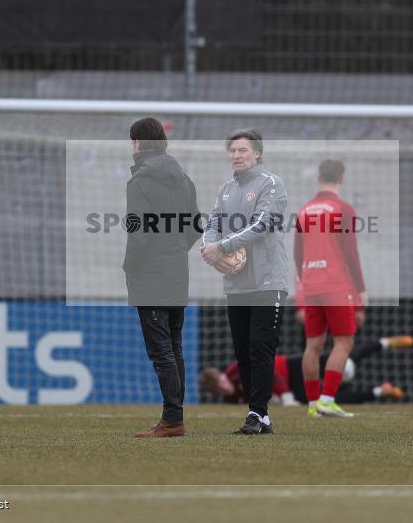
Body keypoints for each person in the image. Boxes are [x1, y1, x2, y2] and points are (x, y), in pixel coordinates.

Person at [201, 129, 289, 434]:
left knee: (260, 347)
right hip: (237, 284)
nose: (236, 155)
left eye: (242, 150)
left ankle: (256, 412)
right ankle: (261, 418)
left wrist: (222, 247)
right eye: (233, 151)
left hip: (267, 282)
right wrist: (208, 248)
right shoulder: (225, 189)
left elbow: (262, 225)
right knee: (242, 350)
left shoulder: (272, 184)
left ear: (257, 153)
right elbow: (212, 223)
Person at [123, 117, 201, 438]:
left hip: (152, 275)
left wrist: (131, 267)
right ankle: (174, 417)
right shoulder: (184, 179)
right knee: (175, 348)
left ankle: (172, 420)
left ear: (139, 143)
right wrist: (176, 249)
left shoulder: (139, 182)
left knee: (161, 352)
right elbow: (197, 227)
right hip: (177, 271)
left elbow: (137, 234)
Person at [294, 159, 367, 418]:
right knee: (344, 341)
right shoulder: (343, 208)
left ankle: (313, 404)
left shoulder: (304, 210)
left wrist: (304, 284)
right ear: (342, 178)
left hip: (311, 283)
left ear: (318, 178)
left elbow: (297, 253)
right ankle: (327, 398)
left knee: (313, 345)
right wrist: (361, 289)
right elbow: (350, 252)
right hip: (336, 284)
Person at [199, 335, 413, 405]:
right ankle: (379, 391)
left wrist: (285, 395)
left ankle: (386, 343)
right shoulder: (231, 399)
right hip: (292, 388)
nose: (225, 389)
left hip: (289, 369)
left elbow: (271, 374)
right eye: (220, 390)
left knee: (342, 363)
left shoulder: (235, 370)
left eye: (222, 384)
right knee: (327, 401)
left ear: (222, 376)